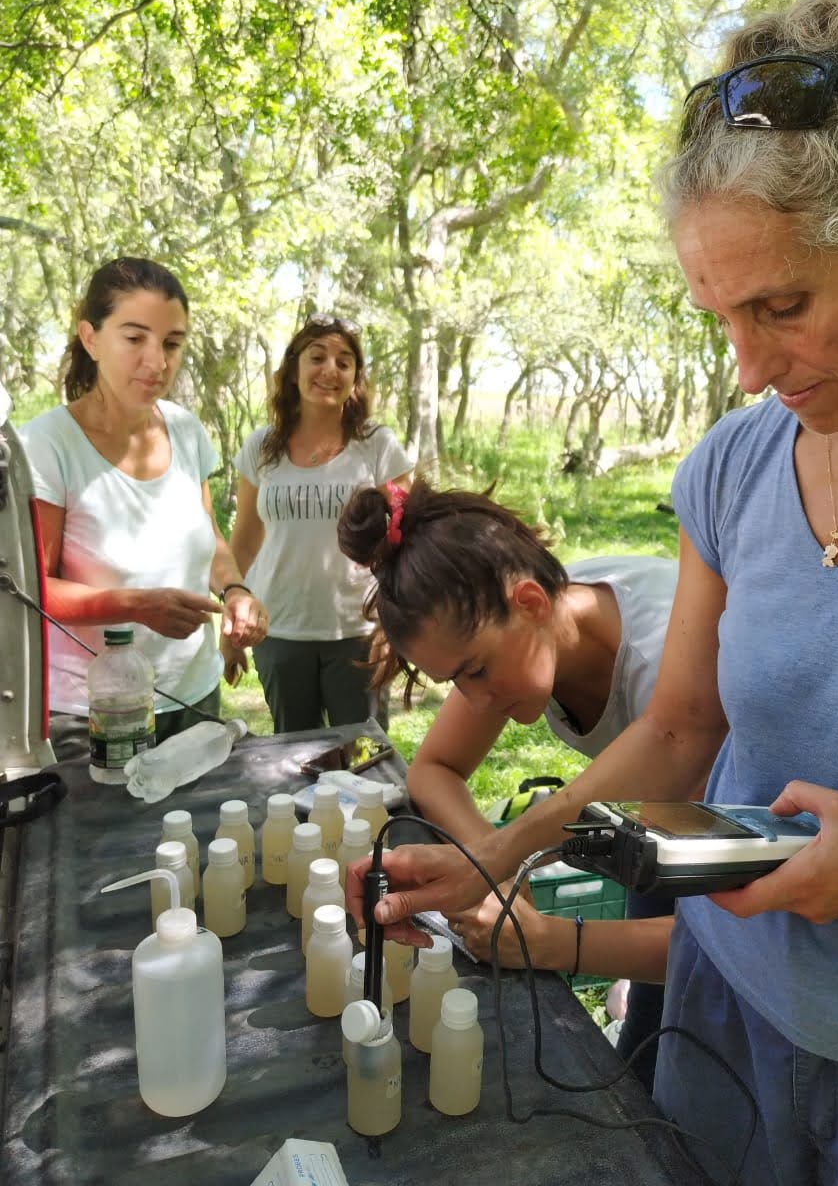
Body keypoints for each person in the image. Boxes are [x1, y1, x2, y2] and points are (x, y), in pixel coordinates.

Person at [347, 0, 838, 1186]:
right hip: (713, 1025)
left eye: (784, 307)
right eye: (719, 315)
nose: (750, 364)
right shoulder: (734, 467)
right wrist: (500, 853)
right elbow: (681, 727)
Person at [337, 481, 681, 1087]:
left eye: (475, 670)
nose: (476, 699)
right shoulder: (533, 622)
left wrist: (556, 943)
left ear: (529, 602)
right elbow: (433, 769)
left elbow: (747, 942)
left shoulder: (672, 676)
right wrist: (493, 877)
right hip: (674, 832)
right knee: (650, 1055)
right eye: (454, 681)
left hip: (781, 866)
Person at [21, 257, 268, 760]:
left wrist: (236, 589)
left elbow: (211, 538)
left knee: (195, 836)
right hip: (94, 707)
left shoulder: (185, 430)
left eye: (172, 343)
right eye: (135, 339)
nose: (157, 360)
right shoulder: (47, 446)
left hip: (194, 693)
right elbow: (33, 587)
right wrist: (137, 606)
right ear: (90, 338)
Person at [226, 315, 413, 732]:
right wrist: (230, 623)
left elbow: (406, 543)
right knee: (293, 763)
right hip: (279, 631)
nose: (330, 370)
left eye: (344, 362)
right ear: (293, 370)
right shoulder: (262, 447)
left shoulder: (378, 446)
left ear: (355, 379)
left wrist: (390, 624)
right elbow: (244, 542)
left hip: (358, 632)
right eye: (317, 357)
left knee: (364, 761)